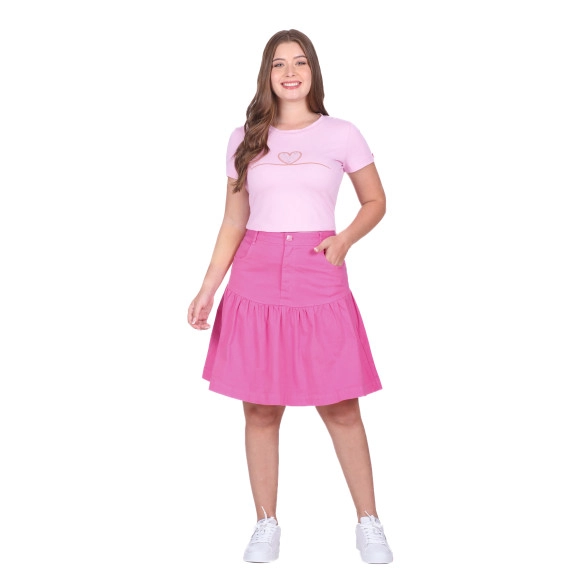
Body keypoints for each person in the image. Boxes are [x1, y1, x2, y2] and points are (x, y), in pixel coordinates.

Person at [187, 29, 393, 564]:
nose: (290, 72)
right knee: (260, 407)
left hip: (318, 270)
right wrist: (209, 286)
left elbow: (375, 200)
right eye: (279, 64)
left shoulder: (341, 133)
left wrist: (344, 240)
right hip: (254, 273)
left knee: (340, 403)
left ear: (313, 71)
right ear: (267, 74)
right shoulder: (244, 138)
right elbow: (234, 219)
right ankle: (266, 523)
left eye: (299, 62)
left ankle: (368, 521)